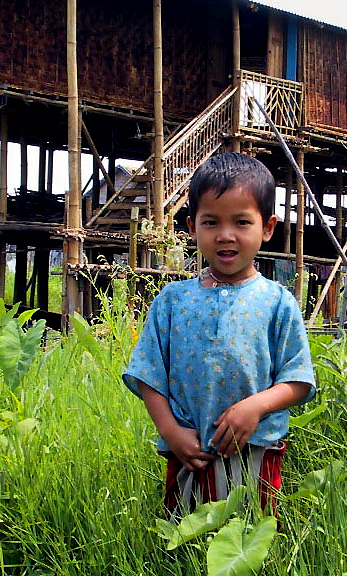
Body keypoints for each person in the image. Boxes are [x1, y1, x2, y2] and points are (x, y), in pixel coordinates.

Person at [123, 152, 315, 517]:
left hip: (255, 448)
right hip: (188, 451)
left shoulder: (277, 303)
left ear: (268, 227)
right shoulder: (172, 302)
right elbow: (148, 376)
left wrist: (255, 407)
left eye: (242, 222)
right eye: (211, 222)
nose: (226, 235)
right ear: (192, 227)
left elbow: (299, 380)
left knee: (248, 538)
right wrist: (171, 432)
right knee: (185, 537)